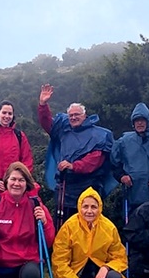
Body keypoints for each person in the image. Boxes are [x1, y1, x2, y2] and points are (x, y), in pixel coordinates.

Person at [52, 187, 131, 278]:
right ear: (79, 207)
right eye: (85, 206)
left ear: (100, 208)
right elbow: (59, 263)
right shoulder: (68, 227)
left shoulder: (109, 227)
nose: (89, 211)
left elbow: (120, 256)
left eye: (94, 207)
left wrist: (107, 267)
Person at [38, 84, 114, 225]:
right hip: (65, 187)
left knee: (87, 223)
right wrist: (43, 104)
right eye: (71, 115)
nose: (73, 117)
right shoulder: (64, 129)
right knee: (64, 225)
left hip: (89, 186)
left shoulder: (99, 135)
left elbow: (95, 161)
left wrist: (73, 166)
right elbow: (47, 123)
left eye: (77, 115)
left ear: (84, 116)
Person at [0, 101, 35, 202]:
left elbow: (27, 161)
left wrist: (18, 180)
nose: (7, 116)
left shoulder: (20, 136)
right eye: (4, 113)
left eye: (10, 113)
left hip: (15, 190)